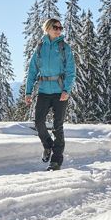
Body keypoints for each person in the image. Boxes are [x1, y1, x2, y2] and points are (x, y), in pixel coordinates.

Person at [25, 18, 76, 171]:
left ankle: (56, 161)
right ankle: (48, 146)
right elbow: (32, 70)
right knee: (38, 122)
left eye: (61, 28)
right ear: (47, 28)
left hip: (60, 92)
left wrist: (67, 90)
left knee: (57, 126)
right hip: (43, 91)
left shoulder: (64, 47)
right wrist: (28, 91)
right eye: (55, 27)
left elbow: (71, 71)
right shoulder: (40, 48)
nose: (59, 30)